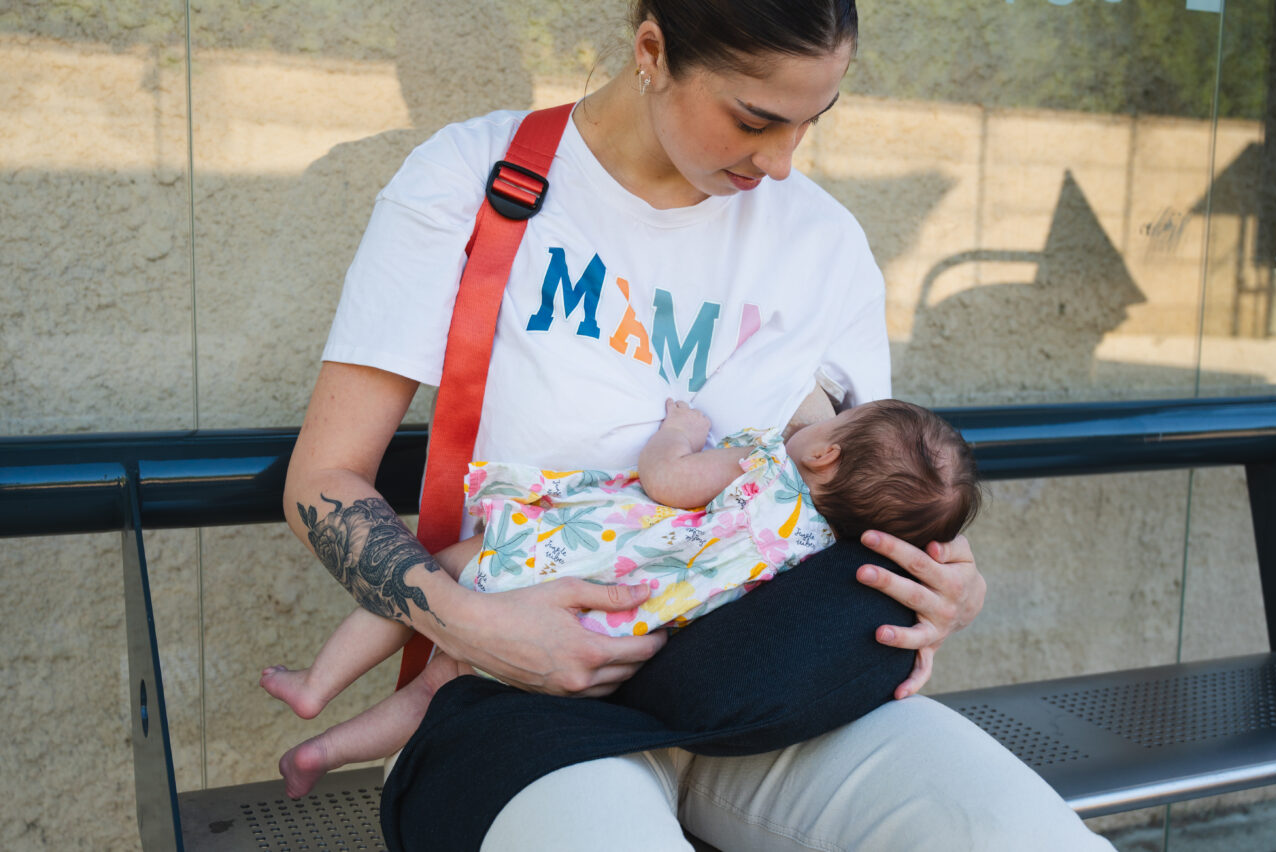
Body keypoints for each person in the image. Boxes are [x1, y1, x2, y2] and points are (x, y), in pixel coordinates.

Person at [283, 0, 1115, 847]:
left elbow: (860, 475)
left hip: (765, 688)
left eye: (809, 123)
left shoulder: (822, 241)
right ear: (652, 50)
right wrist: (468, 624)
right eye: (755, 119)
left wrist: (948, 584)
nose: (782, 161)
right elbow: (324, 482)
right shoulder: (477, 178)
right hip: (518, 698)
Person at [265, 395, 983, 796]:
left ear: (824, 452)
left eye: (839, 417)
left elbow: (668, 481)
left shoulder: (764, 465)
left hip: (555, 560)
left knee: (422, 573)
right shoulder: (818, 547)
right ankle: (323, 753)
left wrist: (680, 431)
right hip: (606, 636)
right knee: (431, 695)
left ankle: (317, 684)